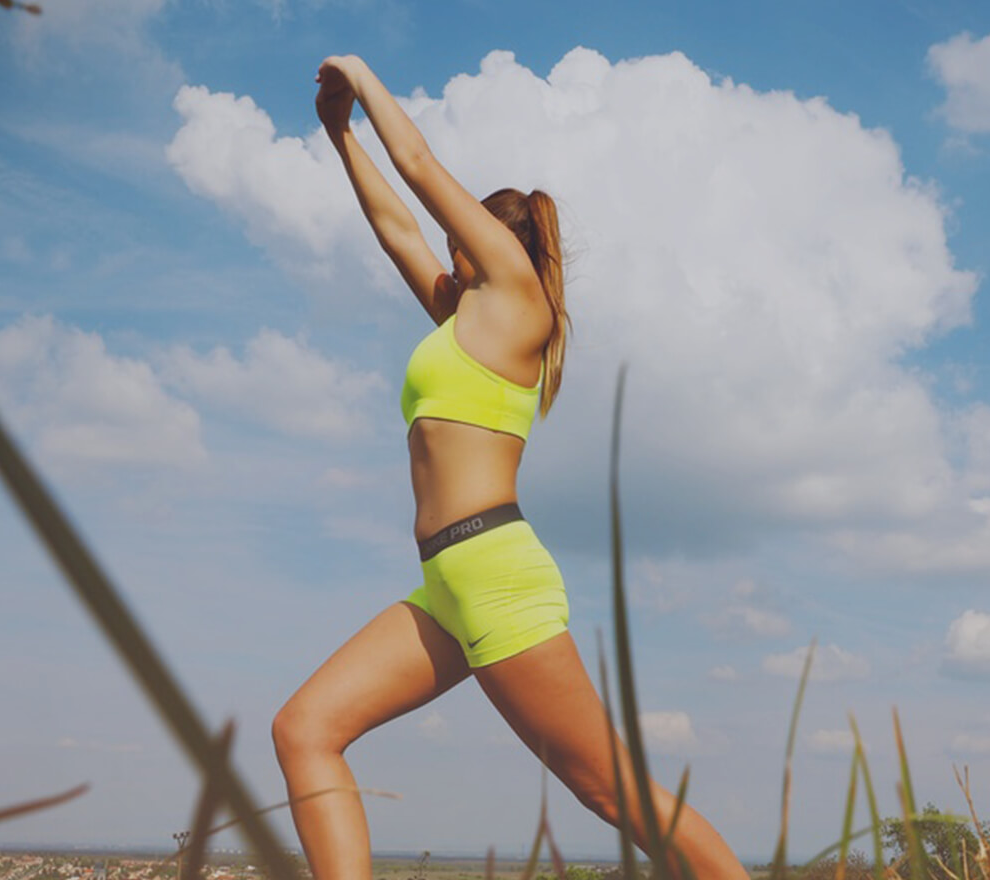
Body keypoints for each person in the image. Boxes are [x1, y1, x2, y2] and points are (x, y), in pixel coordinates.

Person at [272, 54, 749, 880]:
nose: (444, 257)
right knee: (304, 730)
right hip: (445, 582)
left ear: (489, 243)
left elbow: (416, 166)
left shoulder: (519, 305)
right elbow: (395, 228)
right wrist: (339, 134)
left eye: (457, 244)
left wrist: (362, 78)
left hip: (494, 573)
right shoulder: (460, 315)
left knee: (608, 791)